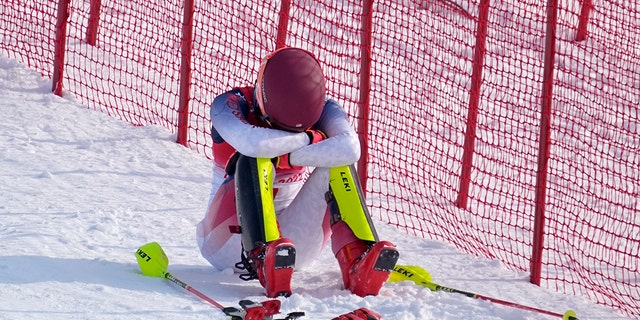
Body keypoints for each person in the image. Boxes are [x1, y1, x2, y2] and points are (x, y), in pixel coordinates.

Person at [196, 47, 399, 298]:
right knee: (255, 158)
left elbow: (349, 148)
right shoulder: (229, 104)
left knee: (338, 163)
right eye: (277, 126)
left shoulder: (327, 108)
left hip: (291, 251)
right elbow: (255, 144)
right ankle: (263, 255)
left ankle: (357, 258)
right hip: (227, 244)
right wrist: (311, 139)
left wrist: (286, 150)